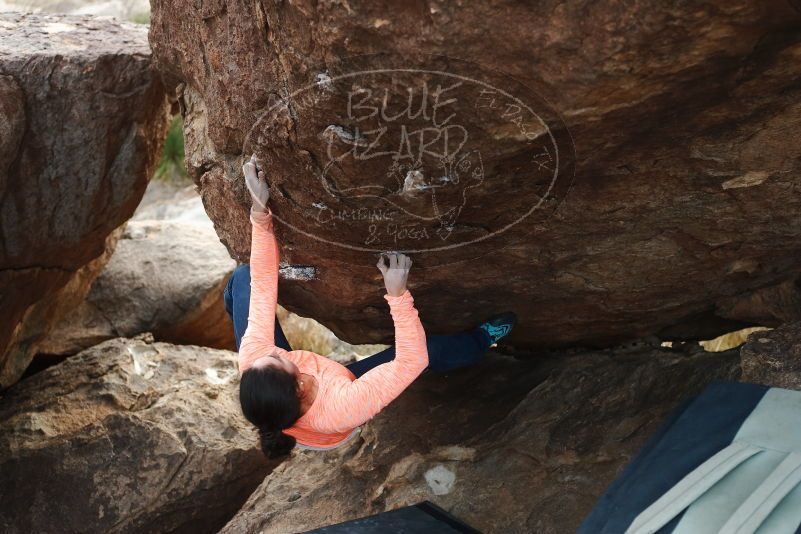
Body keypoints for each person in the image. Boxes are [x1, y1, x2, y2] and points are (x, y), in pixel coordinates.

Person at [225, 154, 518, 458]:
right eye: (279, 357)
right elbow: (410, 361)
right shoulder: (342, 407)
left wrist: (259, 212)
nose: (268, 349)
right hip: (334, 411)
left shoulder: (256, 358)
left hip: (285, 400)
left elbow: (261, 282)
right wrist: (398, 295)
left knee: (242, 280)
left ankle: (229, 303)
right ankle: (483, 339)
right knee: (432, 352)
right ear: (299, 383)